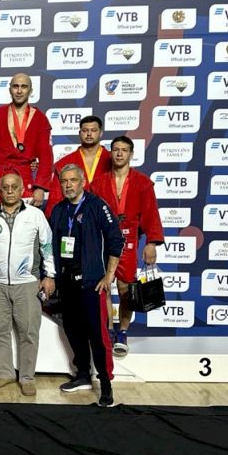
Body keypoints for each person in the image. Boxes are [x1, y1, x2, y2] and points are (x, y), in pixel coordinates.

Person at [49, 164, 124, 407]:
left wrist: (109, 276)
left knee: (97, 336)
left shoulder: (97, 206)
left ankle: (106, 384)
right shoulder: (59, 210)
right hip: (66, 283)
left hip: (91, 284)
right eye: (64, 181)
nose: (68, 185)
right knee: (73, 330)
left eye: (73, 180)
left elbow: (116, 240)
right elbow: (50, 245)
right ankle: (82, 374)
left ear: (82, 182)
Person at [0, 173, 56, 396]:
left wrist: (50, 275)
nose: (10, 191)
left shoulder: (36, 215)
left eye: (14, 187)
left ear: (22, 190)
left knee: (28, 332)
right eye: (5, 187)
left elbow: (47, 247)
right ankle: (5, 373)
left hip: (28, 283)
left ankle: (27, 377)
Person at [91, 136, 164, 356]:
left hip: (129, 241)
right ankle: (108, 330)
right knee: (103, 287)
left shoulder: (143, 182)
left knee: (126, 290)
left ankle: (122, 331)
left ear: (131, 154)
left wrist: (152, 243)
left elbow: (151, 214)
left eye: (124, 150)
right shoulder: (98, 182)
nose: (119, 153)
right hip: (103, 240)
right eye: (116, 150)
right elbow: (91, 214)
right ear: (111, 153)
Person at [0, 72, 54, 208]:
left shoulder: (40, 119)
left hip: (25, 178)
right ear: (10, 89)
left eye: (24, 86)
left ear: (30, 91)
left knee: (25, 219)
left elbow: (46, 157)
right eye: (15, 86)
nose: (19, 91)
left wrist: (40, 187)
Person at [45, 115, 112, 217]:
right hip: (73, 217)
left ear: (101, 133)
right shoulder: (64, 163)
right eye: (85, 130)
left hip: (106, 216)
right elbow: (55, 200)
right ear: (79, 133)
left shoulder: (113, 161)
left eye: (93, 130)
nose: (89, 134)